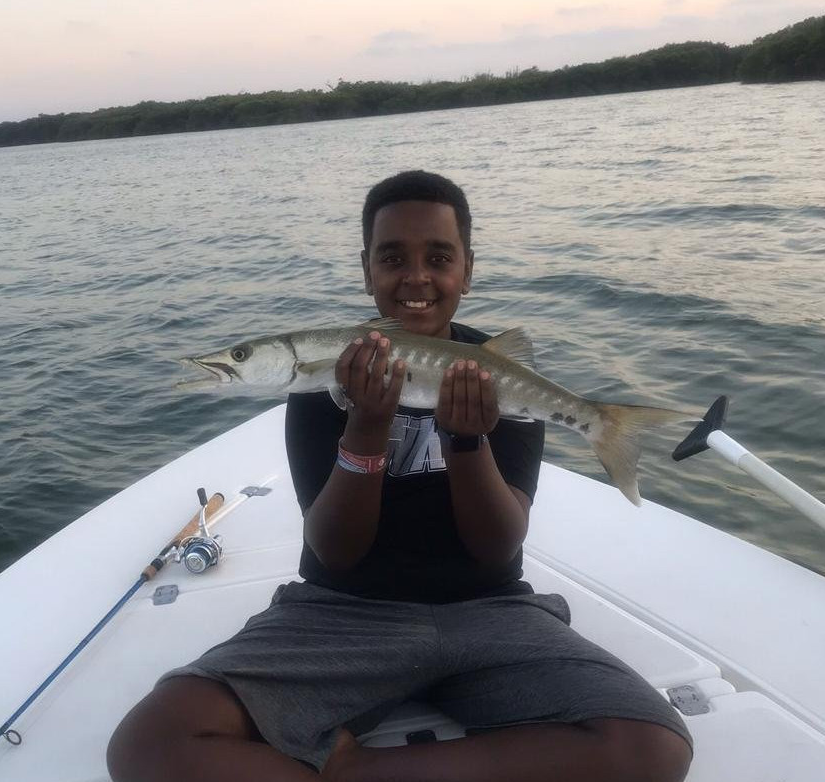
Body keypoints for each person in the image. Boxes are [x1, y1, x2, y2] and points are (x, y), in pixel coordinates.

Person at [107, 171, 693, 782]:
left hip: (489, 610)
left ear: (467, 269)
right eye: (392, 258)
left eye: (439, 258)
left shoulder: (489, 371)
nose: (416, 277)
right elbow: (335, 551)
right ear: (367, 270)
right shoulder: (326, 380)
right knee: (148, 745)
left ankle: (350, 769)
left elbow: (497, 545)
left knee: (652, 747)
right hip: (343, 613)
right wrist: (364, 428)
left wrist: (467, 439)